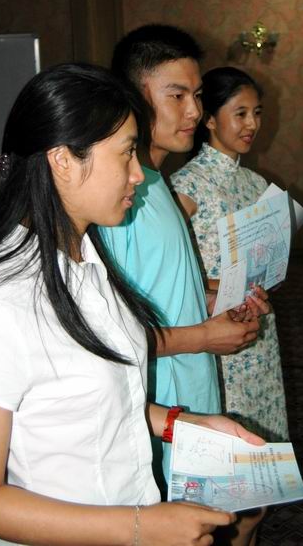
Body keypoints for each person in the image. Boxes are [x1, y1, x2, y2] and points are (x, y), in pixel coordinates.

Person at [0, 63, 265, 546]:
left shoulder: (88, 258)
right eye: (125, 153)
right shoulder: (1, 300)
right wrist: (141, 527)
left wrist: (184, 424)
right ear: (63, 160)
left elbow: (98, 405)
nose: (139, 173)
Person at [99, 27, 267, 546]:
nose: (194, 110)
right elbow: (104, 338)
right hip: (154, 412)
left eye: (196, 95)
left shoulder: (155, 184)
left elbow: (157, 290)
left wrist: (213, 297)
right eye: (176, 95)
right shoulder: (118, 200)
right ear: (133, 95)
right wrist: (204, 336)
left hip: (190, 403)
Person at [171, 66, 289, 442]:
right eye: (240, 113)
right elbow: (166, 274)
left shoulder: (256, 183)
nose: (252, 124)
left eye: (256, 113)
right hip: (215, 331)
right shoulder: (186, 186)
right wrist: (218, 286)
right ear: (209, 119)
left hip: (258, 329)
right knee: (227, 439)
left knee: (264, 435)